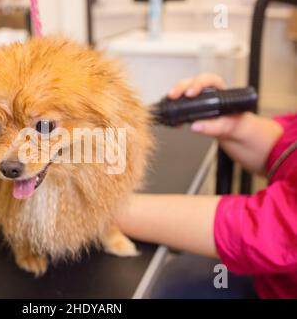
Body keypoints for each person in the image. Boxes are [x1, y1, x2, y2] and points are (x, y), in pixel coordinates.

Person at [117, 73, 297, 299]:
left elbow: (266, 230)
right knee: (176, 275)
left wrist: (98, 208)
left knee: (163, 289)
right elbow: (286, 150)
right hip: (273, 277)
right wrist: (235, 125)